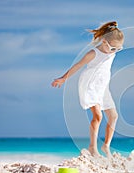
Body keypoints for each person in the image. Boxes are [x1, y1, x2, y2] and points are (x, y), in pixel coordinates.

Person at [51, 21, 124, 157]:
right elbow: (78, 66)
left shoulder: (112, 53)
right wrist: (63, 78)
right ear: (104, 42)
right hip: (90, 85)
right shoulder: (93, 53)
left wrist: (114, 50)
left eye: (118, 49)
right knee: (98, 116)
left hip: (103, 87)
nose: (115, 51)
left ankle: (106, 146)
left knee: (114, 116)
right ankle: (92, 147)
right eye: (113, 48)